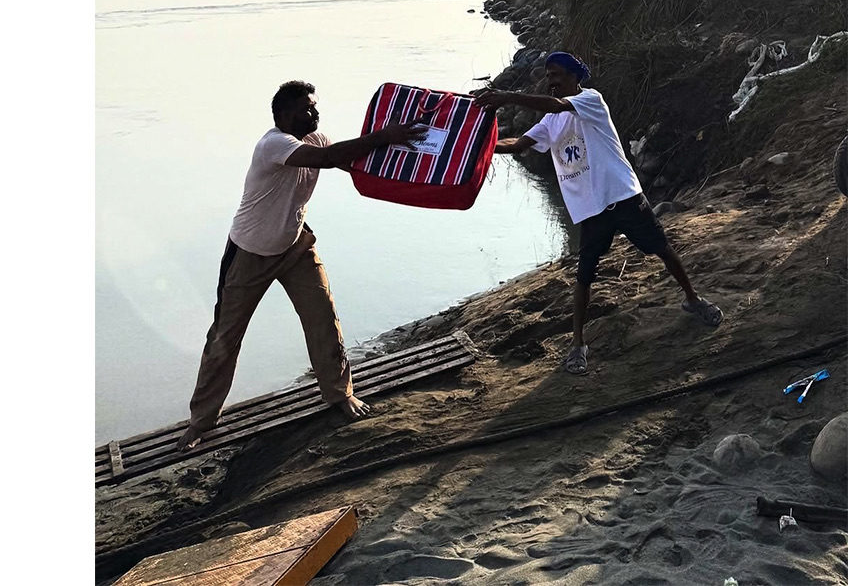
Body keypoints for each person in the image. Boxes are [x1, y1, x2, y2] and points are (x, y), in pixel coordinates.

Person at [176, 81, 426, 450]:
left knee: (323, 315)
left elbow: (351, 161)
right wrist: (384, 134)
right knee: (225, 337)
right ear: (284, 115)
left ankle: (340, 394)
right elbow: (326, 160)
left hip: (295, 244)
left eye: (315, 107)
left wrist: (414, 154)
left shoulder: (317, 140)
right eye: (307, 109)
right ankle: (201, 422)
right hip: (250, 251)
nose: (315, 113)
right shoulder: (273, 144)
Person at [473, 53, 722, 376]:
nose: (552, 81)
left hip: (622, 194)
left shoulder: (590, 100)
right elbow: (519, 145)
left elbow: (559, 105)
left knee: (662, 248)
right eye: (549, 76)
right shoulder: (551, 122)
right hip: (590, 208)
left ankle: (693, 299)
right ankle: (578, 345)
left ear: (575, 77)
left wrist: (507, 97)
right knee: (584, 276)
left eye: (558, 74)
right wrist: (483, 145)